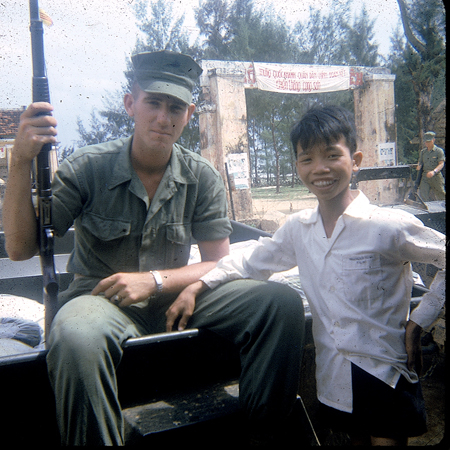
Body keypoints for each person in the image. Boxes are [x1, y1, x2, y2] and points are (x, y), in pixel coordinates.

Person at [2, 50, 305, 446]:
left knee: (279, 303)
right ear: (131, 104)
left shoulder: (202, 177)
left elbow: (218, 262)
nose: (164, 118)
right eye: (154, 103)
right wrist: (21, 160)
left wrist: (155, 281)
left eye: (176, 107)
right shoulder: (87, 168)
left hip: (175, 301)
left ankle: (263, 435)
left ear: (189, 114)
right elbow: (22, 249)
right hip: (99, 300)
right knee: (74, 335)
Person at [177, 106, 446, 446]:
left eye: (332, 155)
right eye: (307, 159)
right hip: (332, 378)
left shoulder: (387, 226)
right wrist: (200, 284)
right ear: (298, 166)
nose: (320, 169)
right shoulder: (298, 230)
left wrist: (419, 320)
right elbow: (248, 263)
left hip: (384, 372)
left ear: (356, 159)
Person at [416, 131, 445, 200]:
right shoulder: (423, 152)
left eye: (429, 141)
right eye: (426, 142)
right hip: (425, 176)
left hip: (436, 176)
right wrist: (418, 166)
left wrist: (434, 171)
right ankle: (426, 209)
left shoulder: (439, 151)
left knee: (441, 195)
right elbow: (420, 162)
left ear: (433, 140)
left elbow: (441, 164)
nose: (427, 143)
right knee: (423, 195)